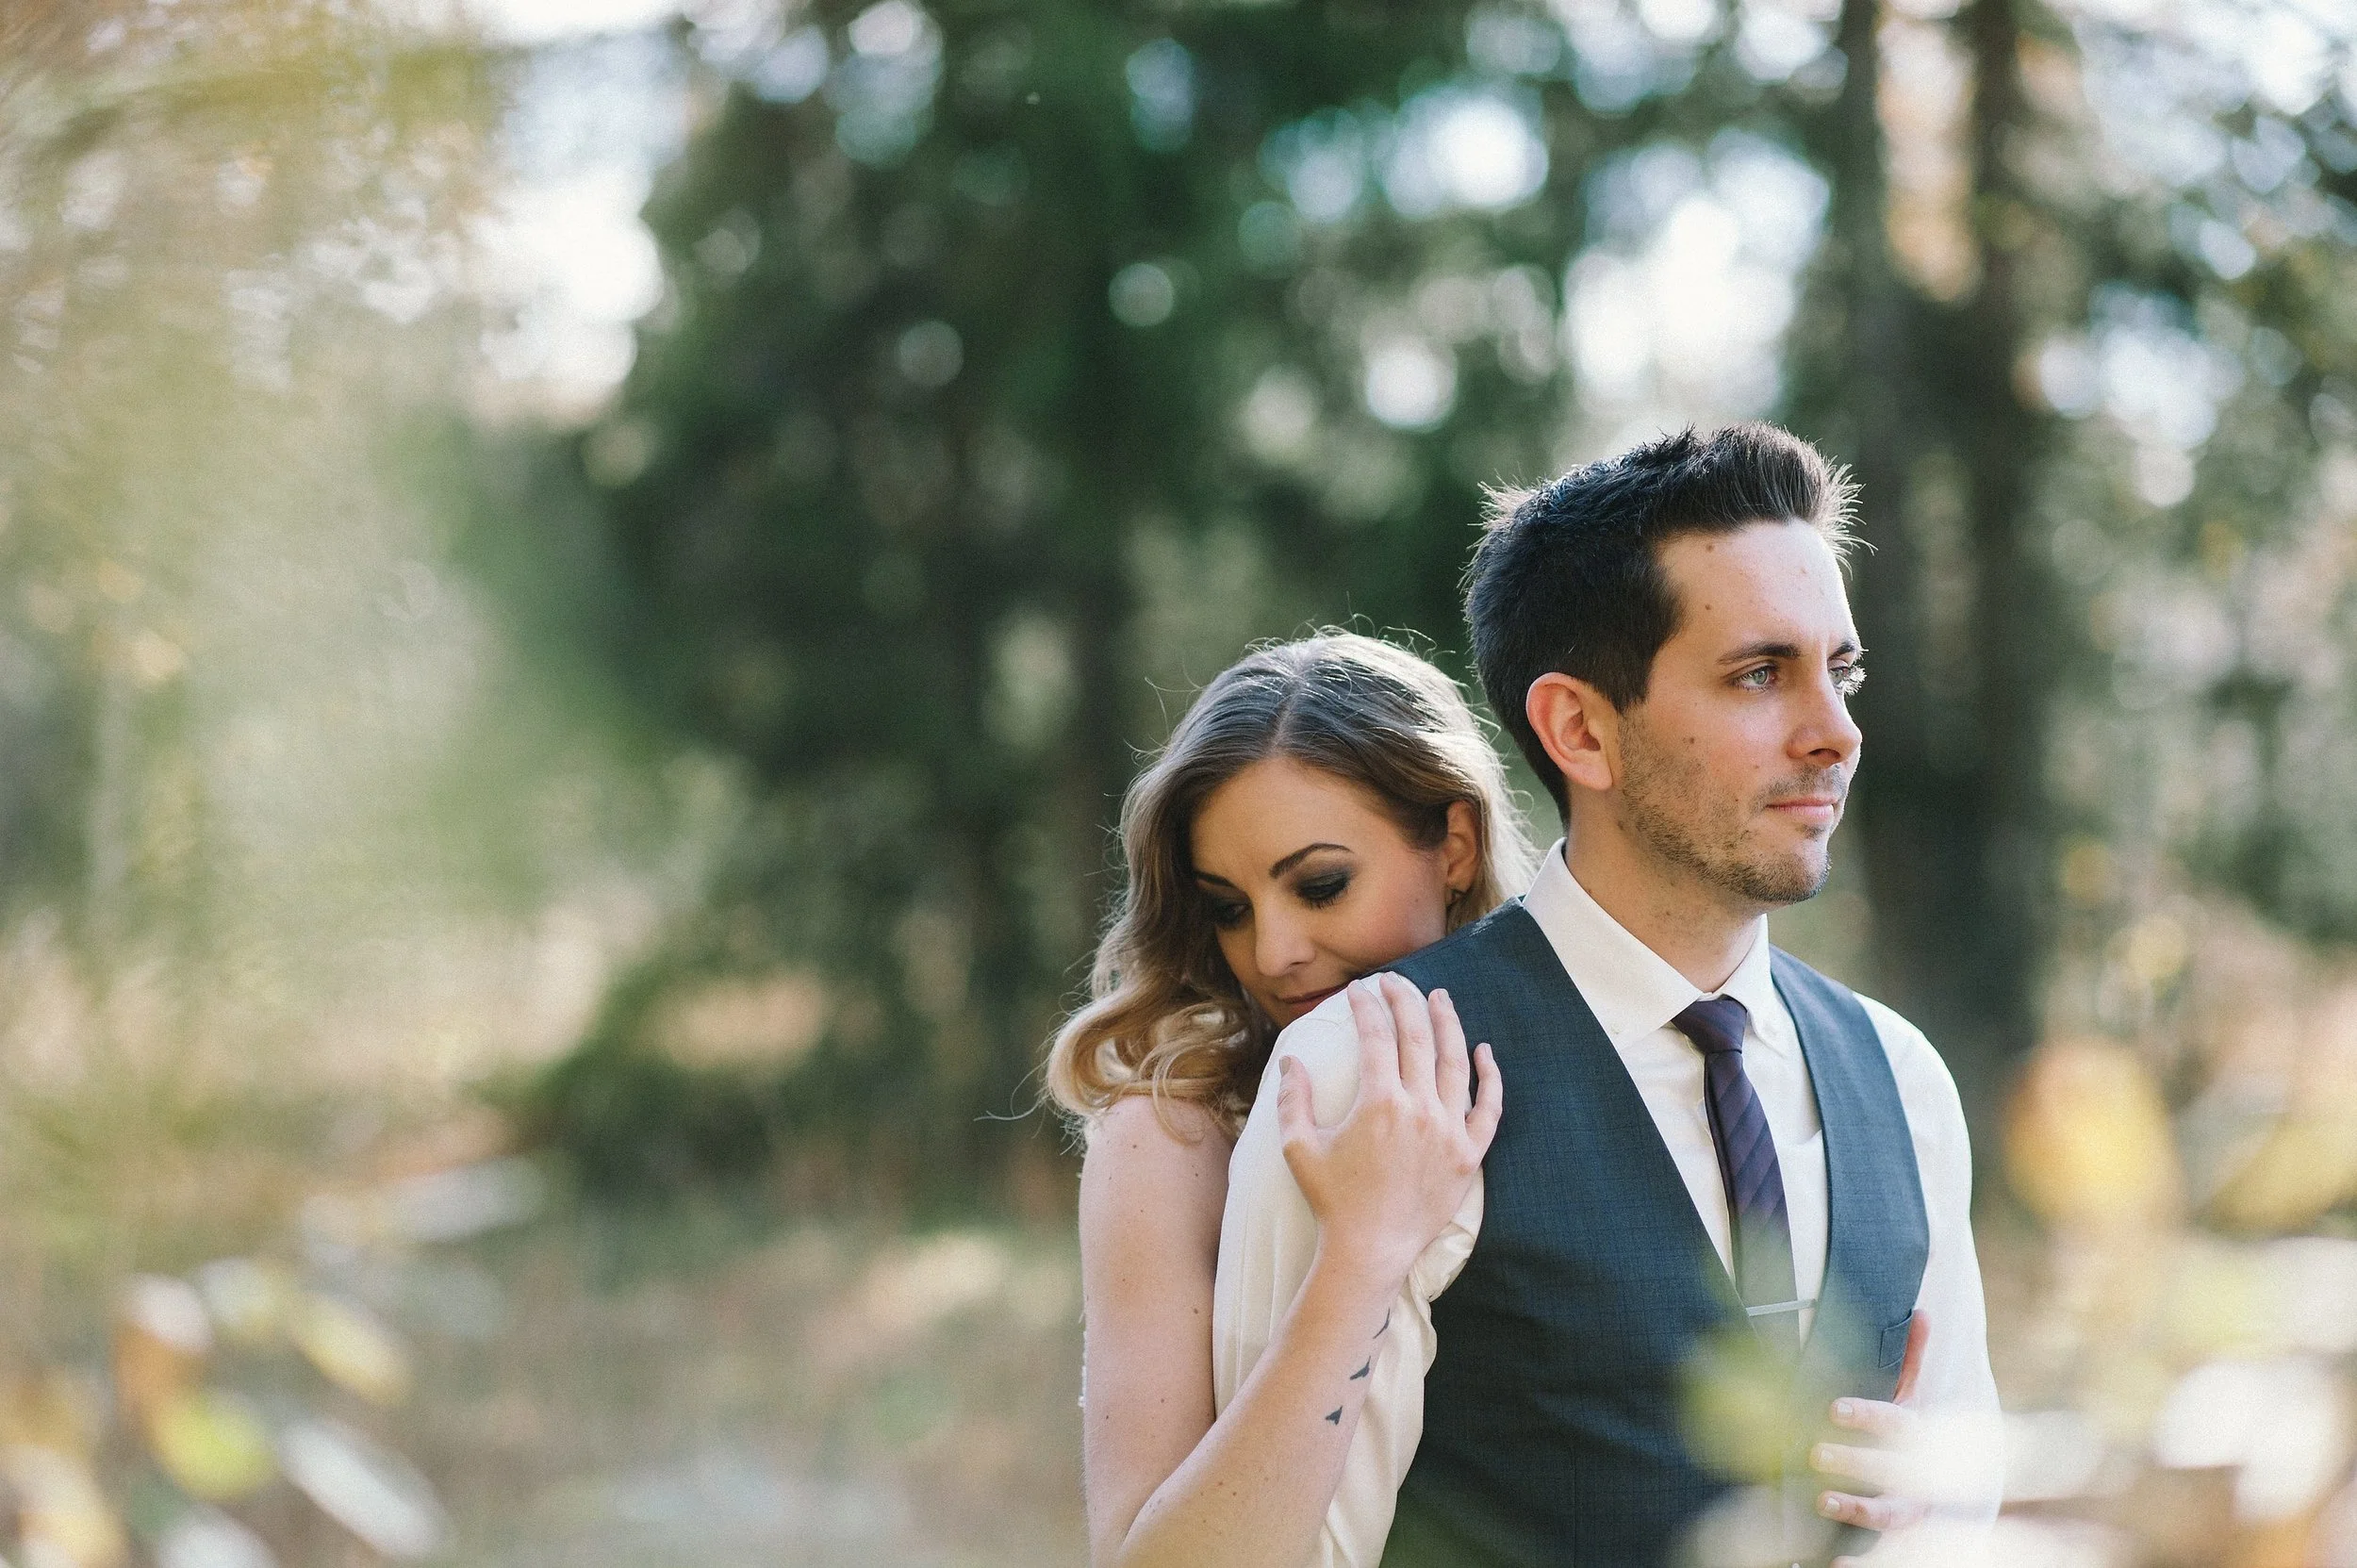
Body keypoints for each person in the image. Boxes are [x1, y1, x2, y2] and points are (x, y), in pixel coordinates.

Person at [1216, 424, 2002, 1568]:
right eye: (1757, 673)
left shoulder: (1903, 1076)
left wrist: (1929, 1507)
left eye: (1842, 671)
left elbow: (1964, 1501)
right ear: (1581, 728)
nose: (1835, 732)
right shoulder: (1364, 1075)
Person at [1046, 633, 1540, 1568]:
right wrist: (1361, 1250)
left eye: (1319, 886)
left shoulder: (1574, 1064)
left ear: (1458, 847)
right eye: (1227, 906)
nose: (1272, 952)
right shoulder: (1173, 1133)